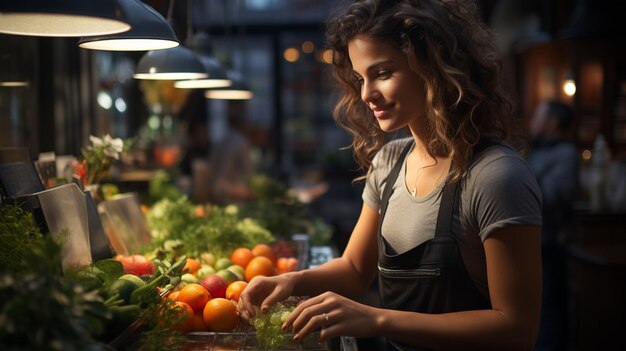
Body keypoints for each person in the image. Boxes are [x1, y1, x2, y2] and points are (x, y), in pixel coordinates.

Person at [237, 1, 543, 350]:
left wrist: (376, 318)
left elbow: (517, 329)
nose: (366, 94)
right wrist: (290, 280)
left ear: (434, 66)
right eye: (360, 78)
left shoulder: (495, 177)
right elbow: (354, 269)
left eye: (382, 73)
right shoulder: (391, 161)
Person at [527, 100, 579, 351]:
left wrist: (521, 181)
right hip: (531, 244)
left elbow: (557, 197)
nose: (532, 123)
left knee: (548, 310)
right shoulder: (537, 150)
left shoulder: (566, 153)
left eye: (538, 117)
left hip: (548, 245)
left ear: (553, 122)